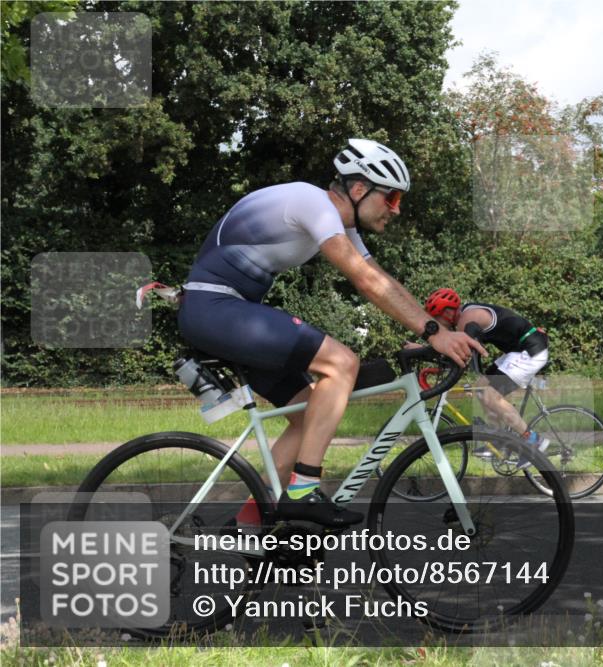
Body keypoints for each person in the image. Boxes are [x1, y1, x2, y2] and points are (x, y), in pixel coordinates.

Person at [178, 139, 485, 528]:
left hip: (227, 310)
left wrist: (435, 329)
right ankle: (304, 492)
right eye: (390, 198)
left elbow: (381, 279)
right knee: (341, 362)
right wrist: (432, 331)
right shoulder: (312, 203)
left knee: (311, 413)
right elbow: (363, 280)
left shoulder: (336, 221)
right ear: (359, 189)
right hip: (215, 307)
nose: (396, 209)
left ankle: (248, 525)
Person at [423, 288, 550, 470]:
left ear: (449, 312)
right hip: (518, 351)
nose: (437, 323)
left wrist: (424, 352)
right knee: (481, 388)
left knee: (491, 395)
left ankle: (533, 441)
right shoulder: (464, 317)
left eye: (437, 317)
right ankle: (498, 440)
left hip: (531, 350)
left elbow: (460, 353)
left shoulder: (467, 320)